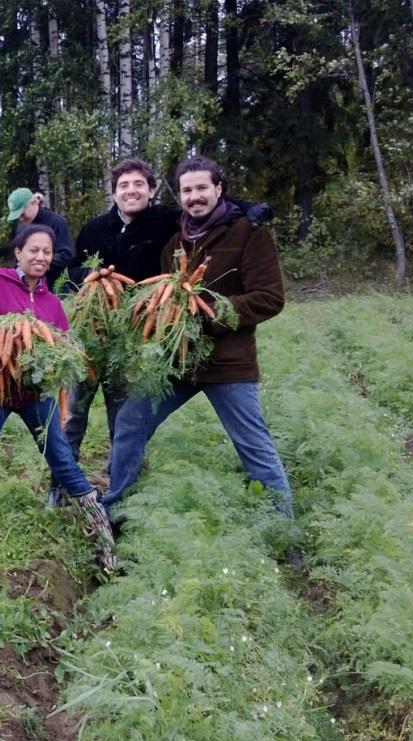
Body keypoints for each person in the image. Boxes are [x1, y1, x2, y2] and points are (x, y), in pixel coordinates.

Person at [54, 158, 273, 509]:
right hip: (117, 344)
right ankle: (83, 493)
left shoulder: (172, 223)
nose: (131, 191)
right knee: (88, 415)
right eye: (123, 185)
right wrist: (92, 281)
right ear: (113, 193)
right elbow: (68, 273)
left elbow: (216, 209)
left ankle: (120, 496)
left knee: (125, 419)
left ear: (152, 191)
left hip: (171, 350)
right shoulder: (105, 230)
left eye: (139, 184)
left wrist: (253, 210)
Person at [106, 155, 293, 519]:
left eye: (202, 188)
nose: (194, 197)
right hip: (178, 364)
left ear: (219, 189)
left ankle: (283, 529)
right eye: (187, 190)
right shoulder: (176, 239)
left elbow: (270, 298)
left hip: (228, 364)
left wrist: (205, 311)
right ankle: (116, 509)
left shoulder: (249, 233)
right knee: (131, 420)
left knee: (254, 446)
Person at [0, 223, 116, 570]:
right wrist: (20, 331)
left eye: (47, 252)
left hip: (35, 396)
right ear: (18, 253)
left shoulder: (53, 302)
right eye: (33, 250)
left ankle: (104, 541)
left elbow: (65, 346)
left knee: (64, 463)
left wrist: (54, 348)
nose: (40, 257)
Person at [6, 187, 75, 291]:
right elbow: (18, 260)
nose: (20, 218)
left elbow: (66, 255)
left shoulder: (57, 223)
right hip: (27, 288)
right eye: (18, 216)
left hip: (55, 288)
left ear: (33, 203)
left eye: (22, 213)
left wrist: (39, 263)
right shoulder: (22, 228)